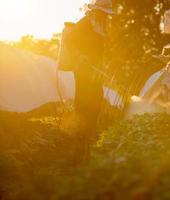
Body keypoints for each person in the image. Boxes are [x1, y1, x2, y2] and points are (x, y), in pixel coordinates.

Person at [62, 0, 114, 160]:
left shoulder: (99, 25)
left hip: (94, 71)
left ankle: (89, 137)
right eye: (103, 13)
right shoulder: (84, 23)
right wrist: (81, 56)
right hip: (83, 71)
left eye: (106, 13)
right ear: (96, 11)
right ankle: (79, 144)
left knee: (96, 101)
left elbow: (99, 49)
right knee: (84, 103)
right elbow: (70, 42)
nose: (106, 16)